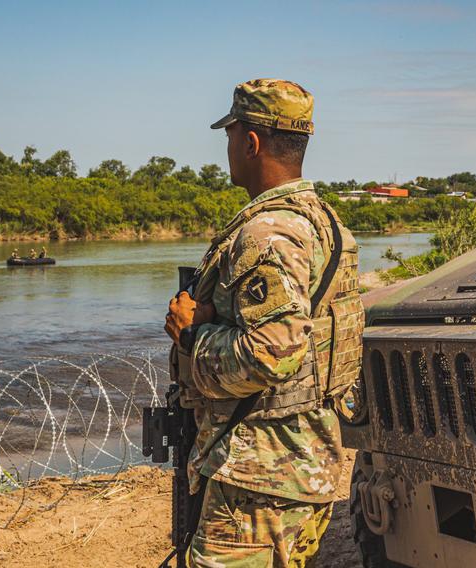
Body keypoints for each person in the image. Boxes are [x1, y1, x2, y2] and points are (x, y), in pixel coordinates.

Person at [164, 79, 364, 568]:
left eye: (230, 136)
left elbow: (271, 352)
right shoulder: (324, 222)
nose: (228, 148)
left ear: (250, 143)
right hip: (304, 460)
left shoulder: (267, 232)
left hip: (258, 476)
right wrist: (218, 315)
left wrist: (192, 334)